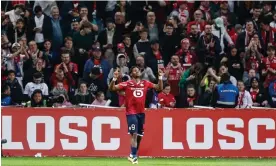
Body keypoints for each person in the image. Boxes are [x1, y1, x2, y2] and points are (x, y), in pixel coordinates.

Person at [109, 66, 163, 164]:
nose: (137, 71)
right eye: (134, 70)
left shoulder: (145, 83)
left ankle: (132, 154)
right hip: (131, 112)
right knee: (133, 134)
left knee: (139, 136)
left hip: (141, 112)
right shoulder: (127, 83)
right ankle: (134, 156)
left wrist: (160, 78)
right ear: (131, 74)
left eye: (138, 70)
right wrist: (114, 79)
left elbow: (159, 87)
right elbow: (112, 88)